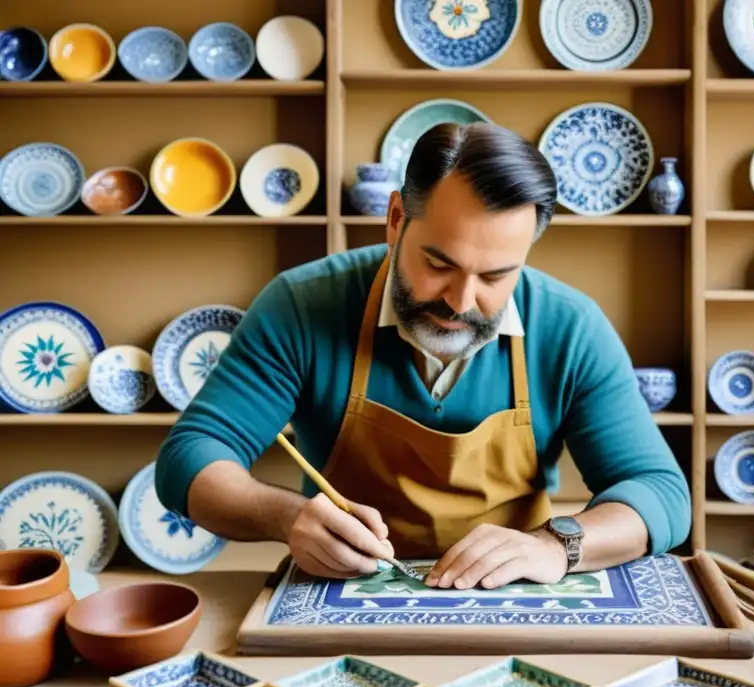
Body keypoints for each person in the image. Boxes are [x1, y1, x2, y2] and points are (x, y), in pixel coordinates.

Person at [154, 121, 690, 591]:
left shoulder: (570, 327)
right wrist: (287, 517)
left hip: (513, 602)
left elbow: (661, 494)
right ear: (394, 220)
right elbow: (189, 459)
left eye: (496, 276)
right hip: (344, 598)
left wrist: (557, 545)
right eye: (439, 264)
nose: (461, 302)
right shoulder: (303, 305)